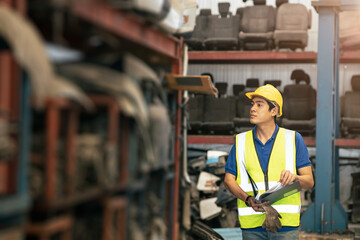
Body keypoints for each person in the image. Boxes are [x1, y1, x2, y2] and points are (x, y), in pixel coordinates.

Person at [224, 84, 314, 240]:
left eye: (259, 105)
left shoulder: (293, 139)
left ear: (274, 111)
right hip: (252, 225)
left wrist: (295, 178)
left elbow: (309, 182)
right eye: (252, 104)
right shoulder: (240, 142)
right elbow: (228, 180)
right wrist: (247, 199)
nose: (252, 109)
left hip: (284, 224)